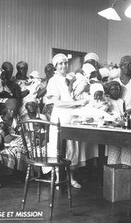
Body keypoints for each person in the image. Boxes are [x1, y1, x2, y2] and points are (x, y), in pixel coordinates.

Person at [45, 53, 88, 189]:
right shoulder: (53, 81)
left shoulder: (70, 78)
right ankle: (58, 178)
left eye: (65, 63)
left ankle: (71, 177)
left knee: (72, 147)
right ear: (55, 66)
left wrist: (80, 100)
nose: (63, 66)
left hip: (72, 117)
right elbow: (57, 103)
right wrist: (77, 102)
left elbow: (74, 95)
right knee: (59, 147)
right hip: (60, 117)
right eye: (60, 64)